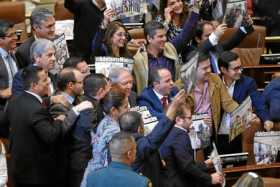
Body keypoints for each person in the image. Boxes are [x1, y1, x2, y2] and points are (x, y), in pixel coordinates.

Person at [5, 66, 90, 187]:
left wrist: (50, 99)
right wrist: (59, 120)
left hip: (18, 167)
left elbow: (3, 126)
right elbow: (51, 135)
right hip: (37, 172)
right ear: (34, 85)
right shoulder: (36, 110)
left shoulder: (14, 101)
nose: (49, 82)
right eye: (44, 80)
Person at [120, 90, 186, 187]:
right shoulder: (137, 144)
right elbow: (156, 137)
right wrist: (173, 108)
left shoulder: (117, 142)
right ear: (140, 128)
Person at [179, 50, 239, 156]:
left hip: (211, 133)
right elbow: (181, 117)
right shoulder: (181, 87)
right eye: (204, 68)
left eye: (209, 66)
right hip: (191, 133)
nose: (209, 70)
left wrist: (243, 113)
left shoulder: (215, 79)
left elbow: (228, 103)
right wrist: (199, 121)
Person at [159, 94, 223, 187]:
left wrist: (205, 164)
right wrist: (210, 179)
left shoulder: (170, 132)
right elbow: (187, 166)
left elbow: (183, 162)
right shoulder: (180, 135)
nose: (192, 121)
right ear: (178, 120)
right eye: (189, 118)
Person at [133, 5, 200, 94]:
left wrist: (196, 7)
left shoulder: (170, 47)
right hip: (150, 102)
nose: (164, 39)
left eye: (164, 35)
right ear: (149, 38)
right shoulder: (138, 59)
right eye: (160, 36)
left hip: (172, 96)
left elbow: (186, 33)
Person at [218, 51, 273, 153]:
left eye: (240, 67)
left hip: (238, 134)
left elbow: (258, 101)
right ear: (223, 69)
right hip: (217, 133)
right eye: (235, 69)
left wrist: (266, 119)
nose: (240, 71)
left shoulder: (247, 82)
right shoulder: (214, 83)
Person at [81, 85, 129, 187]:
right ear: (113, 110)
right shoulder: (114, 131)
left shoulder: (105, 121)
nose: (128, 109)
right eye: (125, 107)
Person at [67, 73, 110, 187]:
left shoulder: (82, 101)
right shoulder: (88, 110)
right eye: (108, 88)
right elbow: (92, 135)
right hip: (83, 162)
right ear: (101, 91)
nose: (109, 92)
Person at [86, 132, 151, 187]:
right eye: (135, 149)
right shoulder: (142, 182)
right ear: (129, 154)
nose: (136, 151)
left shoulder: (92, 177)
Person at [0, 20, 19, 134]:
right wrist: (1, 93)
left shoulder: (12, 54)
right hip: (3, 107)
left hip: (16, 102)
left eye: (15, 34)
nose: (16, 38)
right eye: (10, 35)